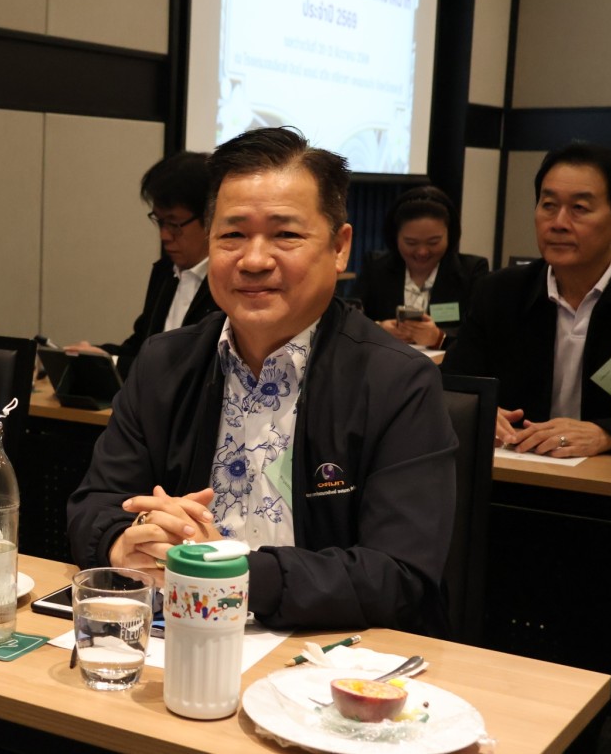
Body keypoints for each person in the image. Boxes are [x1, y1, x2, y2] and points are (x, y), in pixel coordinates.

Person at [67, 127, 457, 635]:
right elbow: (93, 504)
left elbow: (397, 574)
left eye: (285, 235)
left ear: (340, 247)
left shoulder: (399, 382)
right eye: (232, 236)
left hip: (325, 654)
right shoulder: (163, 363)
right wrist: (130, 540)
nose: (253, 260)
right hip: (176, 638)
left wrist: (228, 572)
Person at [442, 141, 611, 457]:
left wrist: (608, 434)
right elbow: (450, 385)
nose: (559, 223)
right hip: (515, 470)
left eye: (579, 208)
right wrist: (478, 410)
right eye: (548, 205)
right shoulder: (499, 293)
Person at [69, 151, 222, 378]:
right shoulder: (165, 273)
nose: (164, 235)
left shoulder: (228, 283)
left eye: (174, 224)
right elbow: (142, 347)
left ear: (210, 218)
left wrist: (115, 363)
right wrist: (99, 356)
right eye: (159, 222)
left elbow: (193, 369)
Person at [354, 185, 489, 350]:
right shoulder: (376, 267)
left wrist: (440, 338)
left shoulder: (471, 271)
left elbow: (483, 335)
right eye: (411, 243)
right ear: (395, 237)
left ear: (450, 235)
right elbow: (351, 321)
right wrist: (378, 329)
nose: (422, 252)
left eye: (433, 242)